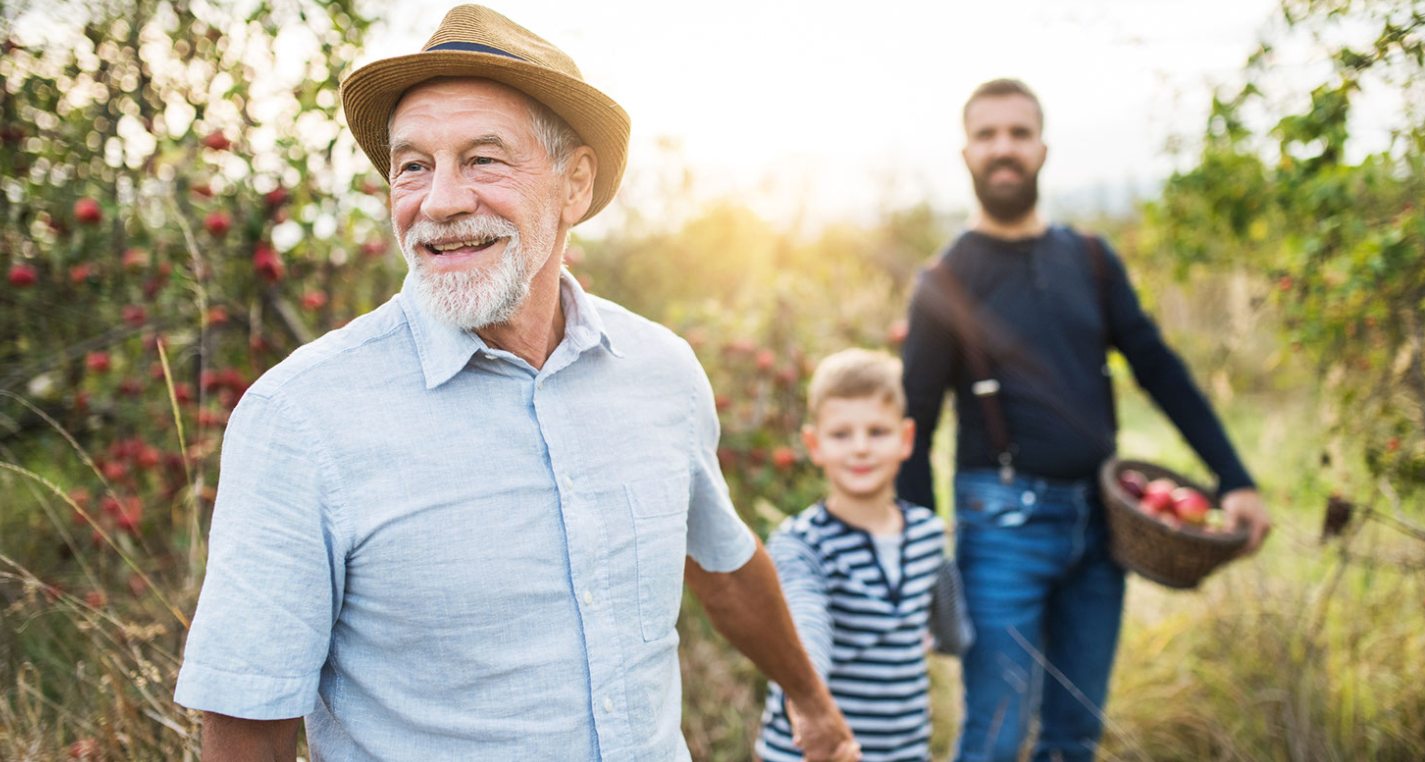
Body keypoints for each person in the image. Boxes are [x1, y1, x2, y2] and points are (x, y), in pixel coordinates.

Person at [172, 6, 858, 761]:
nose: (439, 202)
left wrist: (811, 702)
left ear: (575, 185)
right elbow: (246, 726)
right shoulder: (299, 419)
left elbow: (722, 563)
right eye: (412, 166)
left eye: (482, 160)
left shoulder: (660, 371)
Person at [895, 79, 1273, 762]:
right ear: (965, 152)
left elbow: (1161, 370)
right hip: (1001, 530)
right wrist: (922, 564)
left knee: (1073, 738)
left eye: (1017, 133)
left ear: (1042, 148)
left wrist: (1235, 478)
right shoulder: (943, 282)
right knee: (996, 735)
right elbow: (912, 429)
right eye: (987, 135)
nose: (1002, 148)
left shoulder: (1091, 260)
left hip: (1105, 527)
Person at [757, 348, 973, 762]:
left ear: (906, 439)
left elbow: (951, 623)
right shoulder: (800, 543)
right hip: (813, 751)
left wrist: (947, 639)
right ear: (814, 444)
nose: (860, 448)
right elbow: (806, 622)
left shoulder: (928, 534)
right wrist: (808, 703)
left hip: (903, 750)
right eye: (841, 435)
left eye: (877, 432)